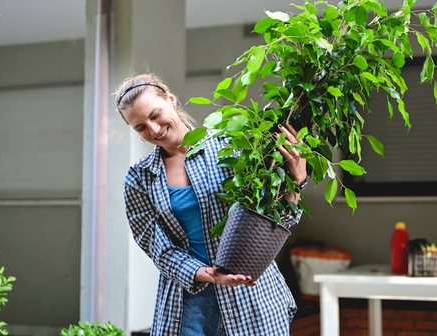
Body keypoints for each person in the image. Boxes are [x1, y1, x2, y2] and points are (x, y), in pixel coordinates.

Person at [115, 74, 308, 336]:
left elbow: (277, 221)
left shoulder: (233, 146)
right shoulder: (139, 178)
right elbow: (158, 248)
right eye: (140, 127)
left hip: (253, 298)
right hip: (189, 305)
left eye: (155, 114)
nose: (153, 129)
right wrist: (209, 274)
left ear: (171, 100)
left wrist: (297, 180)